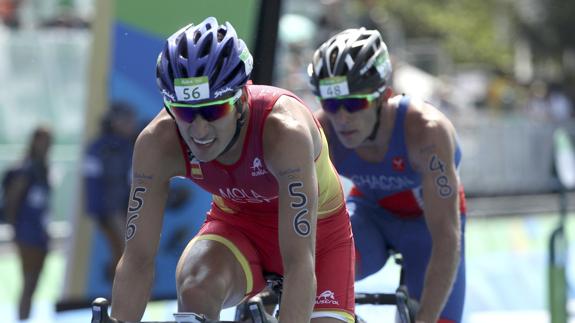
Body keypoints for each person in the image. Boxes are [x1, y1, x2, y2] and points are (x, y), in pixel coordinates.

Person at [110, 17, 355, 323]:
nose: (198, 129)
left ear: (240, 99)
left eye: (213, 110)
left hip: (319, 238)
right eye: (184, 112)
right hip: (238, 226)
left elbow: (298, 263)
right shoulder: (157, 142)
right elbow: (137, 259)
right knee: (196, 286)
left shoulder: (283, 132)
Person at [308, 28, 466, 323]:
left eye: (354, 104)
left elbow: (446, 237)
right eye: (331, 104)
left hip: (430, 229)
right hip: (370, 216)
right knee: (318, 282)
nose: (341, 118)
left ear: (385, 97)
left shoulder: (427, 132)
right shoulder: (322, 131)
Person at [3, 126, 52, 320]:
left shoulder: (42, 167)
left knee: (35, 281)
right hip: (26, 231)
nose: (47, 146)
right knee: (29, 280)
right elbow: (13, 201)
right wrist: (14, 227)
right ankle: (22, 318)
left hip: (39, 231)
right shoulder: (26, 168)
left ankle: (26, 317)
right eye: (44, 141)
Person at [83, 102, 137, 281]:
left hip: (126, 208)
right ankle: (127, 297)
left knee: (124, 254)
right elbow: (92, 183)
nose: (132, 124)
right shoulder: (99, 148)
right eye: (127, 120)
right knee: (127, 254)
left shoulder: (130, 145)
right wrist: (99, 212)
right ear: (114, 122)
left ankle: (124, 296)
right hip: (111, 209)